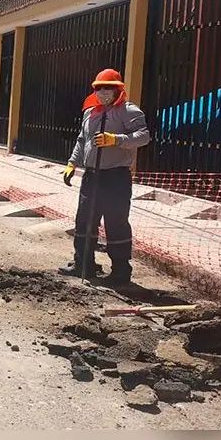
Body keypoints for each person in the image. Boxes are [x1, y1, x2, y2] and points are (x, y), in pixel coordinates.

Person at [58, 69, 150, 286]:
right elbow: (82, 140)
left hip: (115, 177)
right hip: (91, 177)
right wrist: (72, 163)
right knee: (84, 220)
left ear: (118, 89)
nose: (102, 92)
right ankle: (83, 264)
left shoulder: (129, 111)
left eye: (107, 88)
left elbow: (143, 136)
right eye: (99, 88)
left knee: (115, 223)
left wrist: (115, 139)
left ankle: (120, 271)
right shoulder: (90, 113)